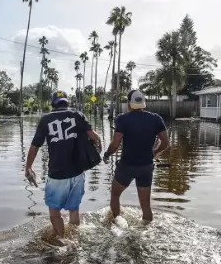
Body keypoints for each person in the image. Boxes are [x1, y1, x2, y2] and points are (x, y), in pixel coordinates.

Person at [25, 91, 102, 238]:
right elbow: (95, 138)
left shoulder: (45, 120)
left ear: (53, 103)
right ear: (67, 102)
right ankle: (74, 239)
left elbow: (35, 146)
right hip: (77, 172)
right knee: (74, 210)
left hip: (57, 174)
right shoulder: (77, 115)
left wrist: (28, 167)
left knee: (55, 214)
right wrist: (98, 152)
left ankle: (62, 241)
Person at [102, 89, 170, 223]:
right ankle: (146, 229)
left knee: (115, 195)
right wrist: (154, 152)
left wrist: (107, 154)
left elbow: (115, 145)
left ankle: (118, 224)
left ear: (129, 103)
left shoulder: (122, 119)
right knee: (145, 205)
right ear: (143, 103)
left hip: (127, 166)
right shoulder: (156, 119)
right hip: (146, 167)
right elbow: (166, 142)